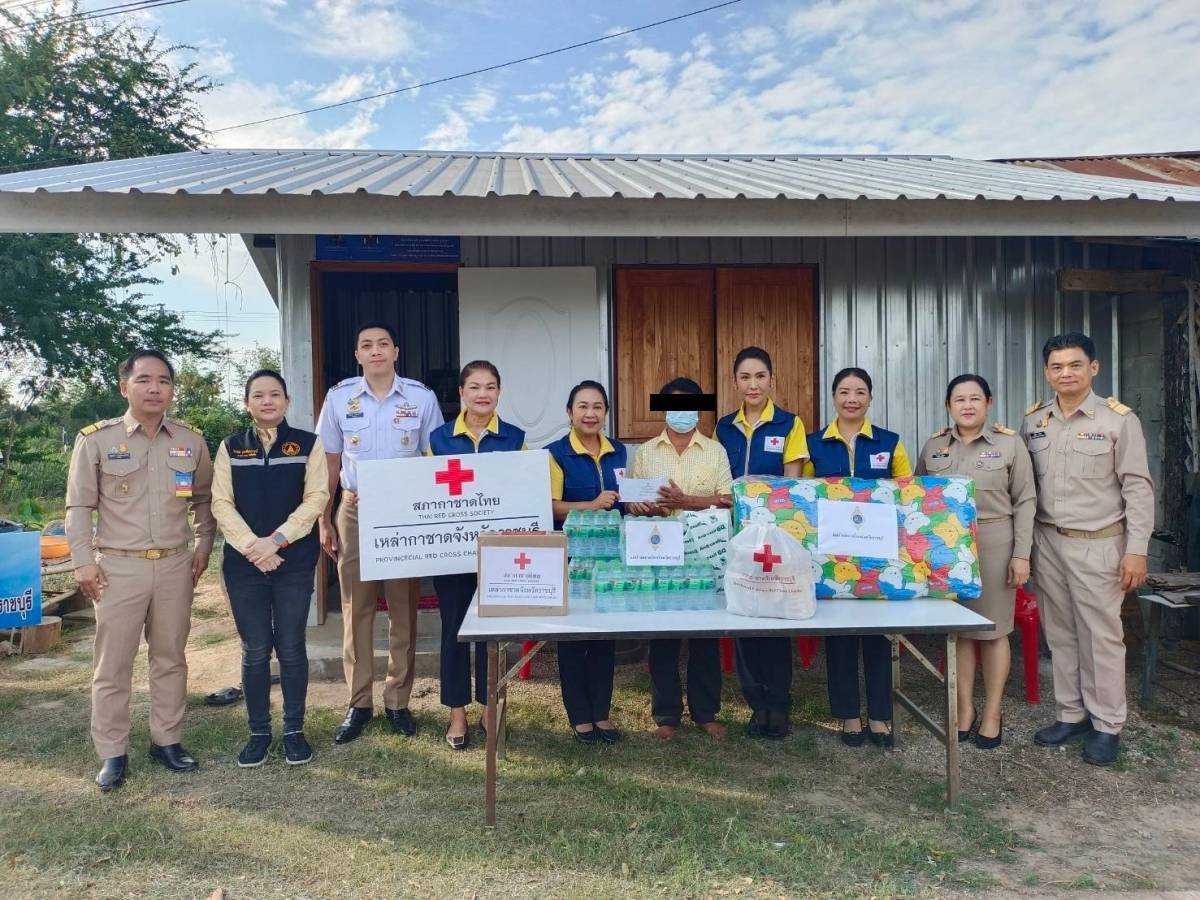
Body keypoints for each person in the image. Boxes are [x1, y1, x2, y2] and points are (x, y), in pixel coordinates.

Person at [65, 349, 215, 791]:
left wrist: (204, 544)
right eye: (145, 380)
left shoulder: (191, 440)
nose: (155, 388)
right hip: (119, 568)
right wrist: (82, 562)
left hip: (174, 566)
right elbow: (78, 506)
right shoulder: (97, 439)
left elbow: (205, 500)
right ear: (124, 386)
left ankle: (166, 740)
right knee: (114, 665)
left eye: (164, 381)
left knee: (171, 658)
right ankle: (112, 751)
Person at [1022, 333, 1154, 766]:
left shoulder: (1118, 421)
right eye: (1057, 367)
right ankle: (1071, 713)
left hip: (1098, 544)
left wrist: (1136, 550)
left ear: (1093, 368)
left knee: (1101, 637)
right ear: (1046, 373)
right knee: (1059, 634)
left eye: (1075, 365)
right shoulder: (1035, 421)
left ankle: (1107, 723)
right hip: (1048, 542)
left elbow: (1137, 487)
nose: (1066, 374)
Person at [316, 322, 444, 745]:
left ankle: (397, 701)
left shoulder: (421, 398)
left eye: (383, 344)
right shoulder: (339, 398)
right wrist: (324, 517)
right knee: (356, 608)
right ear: (357, 355)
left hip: (404, 511)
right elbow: (329, 464)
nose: (375, 351)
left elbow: (434, 460)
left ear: (396, 351)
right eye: (367, 346)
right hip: (354, 508)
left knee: (403, 607)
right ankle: (358, 703)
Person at [212, 370, 329, 768]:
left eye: (275, 394)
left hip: (293, 561)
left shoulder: (308, 444)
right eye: (258, 395)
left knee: (292, 645)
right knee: (256, 648)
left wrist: (276, 542)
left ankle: (294, 730)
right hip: (244, 565)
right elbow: (220, 504)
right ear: (247, 403)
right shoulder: (231, 447)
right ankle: (258, 732)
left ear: (286, 402)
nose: (267, 401)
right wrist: (253, 547)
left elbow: (316, 499)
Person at [916, 374, 1035, 749]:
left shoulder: (1009, 444)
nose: (967, 406)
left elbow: (1026, 501)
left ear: (989, 402)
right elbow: (920, 496)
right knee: (960, 631)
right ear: (948, 406)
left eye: (974, 399)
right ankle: (963, 709)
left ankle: (993, 712)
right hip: (948, 550)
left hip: (994, 543)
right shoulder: (935, 445)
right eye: (958, 400)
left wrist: (1021, 554)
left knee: (993, 631)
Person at [804, 367, 912, 748]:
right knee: (840, 636)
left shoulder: (890, 442)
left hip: (879, 556)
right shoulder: (814, 443)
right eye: (845, 391)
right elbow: (803, 497)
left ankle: (880, 716)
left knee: (880, 637)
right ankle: (849, 715)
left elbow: (906, 493)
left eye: (860, 392)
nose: (852, 398)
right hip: (832, 555)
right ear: (833, 396)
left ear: (870, 398)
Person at [627, 377, 733, 742]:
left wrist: (686, 500)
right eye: (675, 405)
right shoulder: (645, 453)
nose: (683, 412)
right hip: (660, 553)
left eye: (690, 405)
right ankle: (666, 714)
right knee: (664, 637)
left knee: (705, 637)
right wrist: (642, 506)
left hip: (704, 555)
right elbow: (633, 503)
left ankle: (706, 712)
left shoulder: (715, 452)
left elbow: (727, 500)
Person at [429, 361, 527, 750]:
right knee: (454, 630)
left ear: (499, 392)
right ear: (461, 393)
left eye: (490, 387)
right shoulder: (438, 439)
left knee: (493, 633)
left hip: (497, 553)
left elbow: (521, 493)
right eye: (474, 386)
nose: (482, 393)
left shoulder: (516, 438)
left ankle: (490, 708)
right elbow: (424, 493)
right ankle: (456, 713)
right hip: (451, 551)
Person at [714, 347, 809, 739]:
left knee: (774, 615)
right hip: (737, 538)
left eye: (760, 376)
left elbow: (792, 485)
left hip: (776, 539)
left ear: (772, 380)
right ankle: (756, 703)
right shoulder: (723, 426)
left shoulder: (790, 423)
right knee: (743, 613)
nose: (753, 384)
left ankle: (779, 705)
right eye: (745, 377)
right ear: (735, 382)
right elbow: (721, 481)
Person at [546, 380, 627, 745]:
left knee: (605, 635)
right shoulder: (555, 454)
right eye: (582, 406)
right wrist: (592, 504)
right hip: (572, 558)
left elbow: (623, 501)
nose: (590, 413)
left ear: (606, 413)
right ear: (569, 412)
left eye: (597, 407)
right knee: (575, 636)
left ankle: (602, 713)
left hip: (610, 557)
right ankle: (579, 715)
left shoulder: (620, 452)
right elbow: (549, 505)